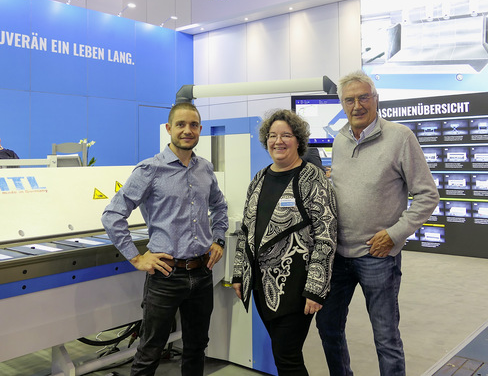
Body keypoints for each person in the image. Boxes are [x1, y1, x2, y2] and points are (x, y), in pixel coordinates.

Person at [315, 70, 439, 375]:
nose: (357, 105)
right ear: (342, 105)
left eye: (363, 97)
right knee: (328, 327)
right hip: (337, 257)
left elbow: (427, 195)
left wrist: (395, 234)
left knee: (386, 338)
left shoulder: (400, 137)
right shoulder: (341, 140)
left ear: (376, 100)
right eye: (349, 100)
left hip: (377, 256)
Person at [101, 102, 228, 376]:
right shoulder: (150, 170)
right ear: (169, 129)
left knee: (196, 347)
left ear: (200, 130)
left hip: (202, 272)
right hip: (166, 275)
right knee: (150, 350)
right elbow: (112, 215)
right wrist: (136, 257)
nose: (187, 130)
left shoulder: (205, 169)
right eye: (180, 125)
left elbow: (220, 205)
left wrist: (219, 239)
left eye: (193, 125)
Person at [232, 109, 337, 376]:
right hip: (261, 285)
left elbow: (326, 235)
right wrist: (238, 274)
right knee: (283, 355)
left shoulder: (312, 179)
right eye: (272, 135)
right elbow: (246, 231)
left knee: (288, 356)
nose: (278, 141)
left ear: (298, 141)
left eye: (286, 135)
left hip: (296, 286)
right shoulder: (259, 178)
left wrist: (315, 288)